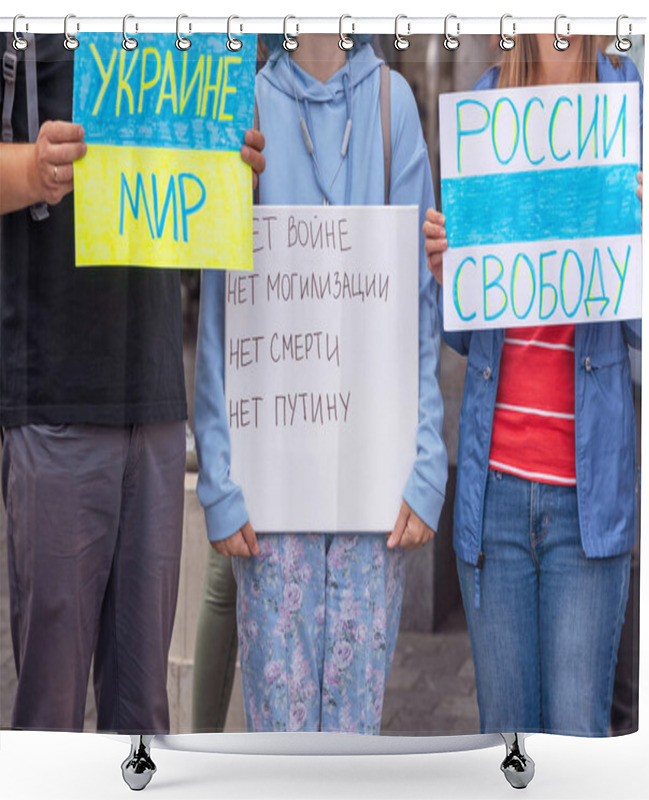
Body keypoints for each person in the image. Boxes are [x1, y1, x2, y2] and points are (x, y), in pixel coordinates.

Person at [0, 33, 264, 733]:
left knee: (146, 720)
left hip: (153, 396)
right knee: (49, 717)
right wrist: (32, 169)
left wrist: (229, 168)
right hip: (54, 397)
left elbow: (196, 183)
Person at [193, 33, 447, 733]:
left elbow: (416, 308)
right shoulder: (237, 105)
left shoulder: (394, 105)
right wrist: (217, 475)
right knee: (279, 744)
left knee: (353, 739)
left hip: (375, 491)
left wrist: (427, 461)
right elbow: (220, 297)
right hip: (270, 492)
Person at [423, 34, 643, 736]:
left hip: (589, 504)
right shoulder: (484, 109)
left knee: (579, 736)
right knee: (508, 748)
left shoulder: (628, 105)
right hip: (495, 500)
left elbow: (648, 330)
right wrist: (445, 270)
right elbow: (463, 335)